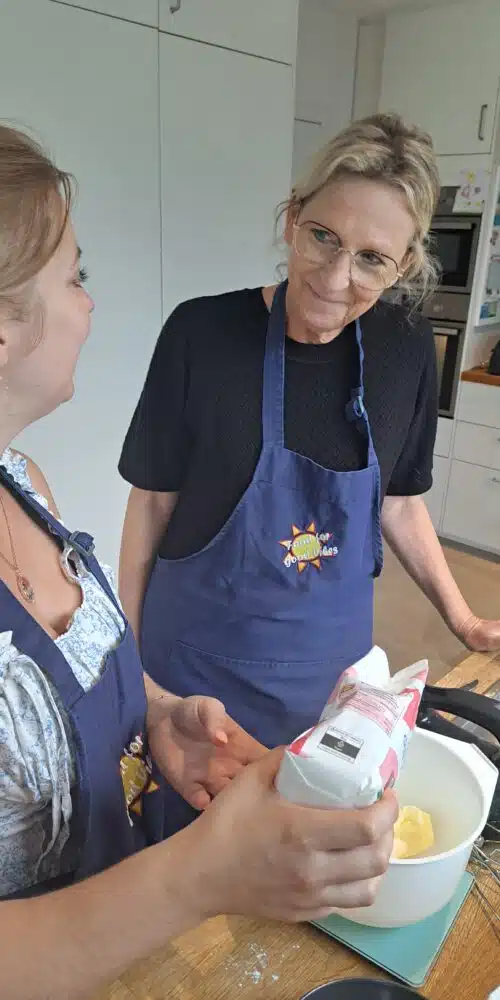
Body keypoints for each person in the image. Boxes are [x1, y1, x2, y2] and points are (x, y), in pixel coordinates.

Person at [0, 124, 398, 1000]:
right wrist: (196, 878)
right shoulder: (206, 333)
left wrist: (152, 714)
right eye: (76, 276)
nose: (90, 306)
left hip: (128, 956)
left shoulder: (23, 484)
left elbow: (62, 689)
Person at [119, 112, 500, 837]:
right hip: (195, 688)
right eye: (323, 236)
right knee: (189, 869)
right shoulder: (201, 334)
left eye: (371, 259)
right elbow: (151, 504)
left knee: (308, 862)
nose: (334, 278)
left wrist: (463, 617)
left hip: (331, 696)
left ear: (405, 264)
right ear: (292, 218)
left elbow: (397, 501)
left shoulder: (407, 349)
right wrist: (133, 671)